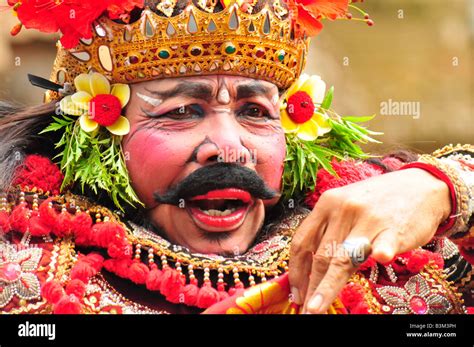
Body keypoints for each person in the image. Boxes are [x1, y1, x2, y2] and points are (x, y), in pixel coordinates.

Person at [0, 0, 472, 314]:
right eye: (183, 111)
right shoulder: (24, 266)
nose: (228, 147)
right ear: (100, 129)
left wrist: (440, 187)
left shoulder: (377, 243)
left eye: (254, 111)